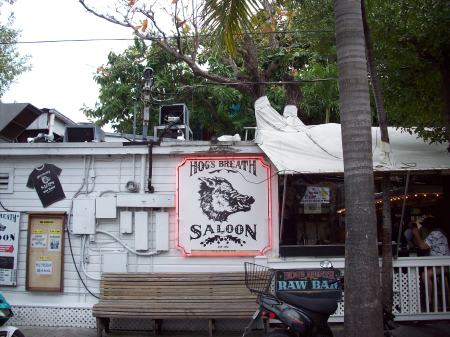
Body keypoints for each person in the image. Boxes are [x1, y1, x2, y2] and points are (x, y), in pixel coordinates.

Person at [411, 216, 450, 310]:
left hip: (442, 265)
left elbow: (423, 246)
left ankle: (429, 300)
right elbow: (421, 244)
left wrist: (416, 234)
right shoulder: (438, 232)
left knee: (425, 275)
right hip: (440, 264)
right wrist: (417, 236)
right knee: (424, 272)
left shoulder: (436, 233)